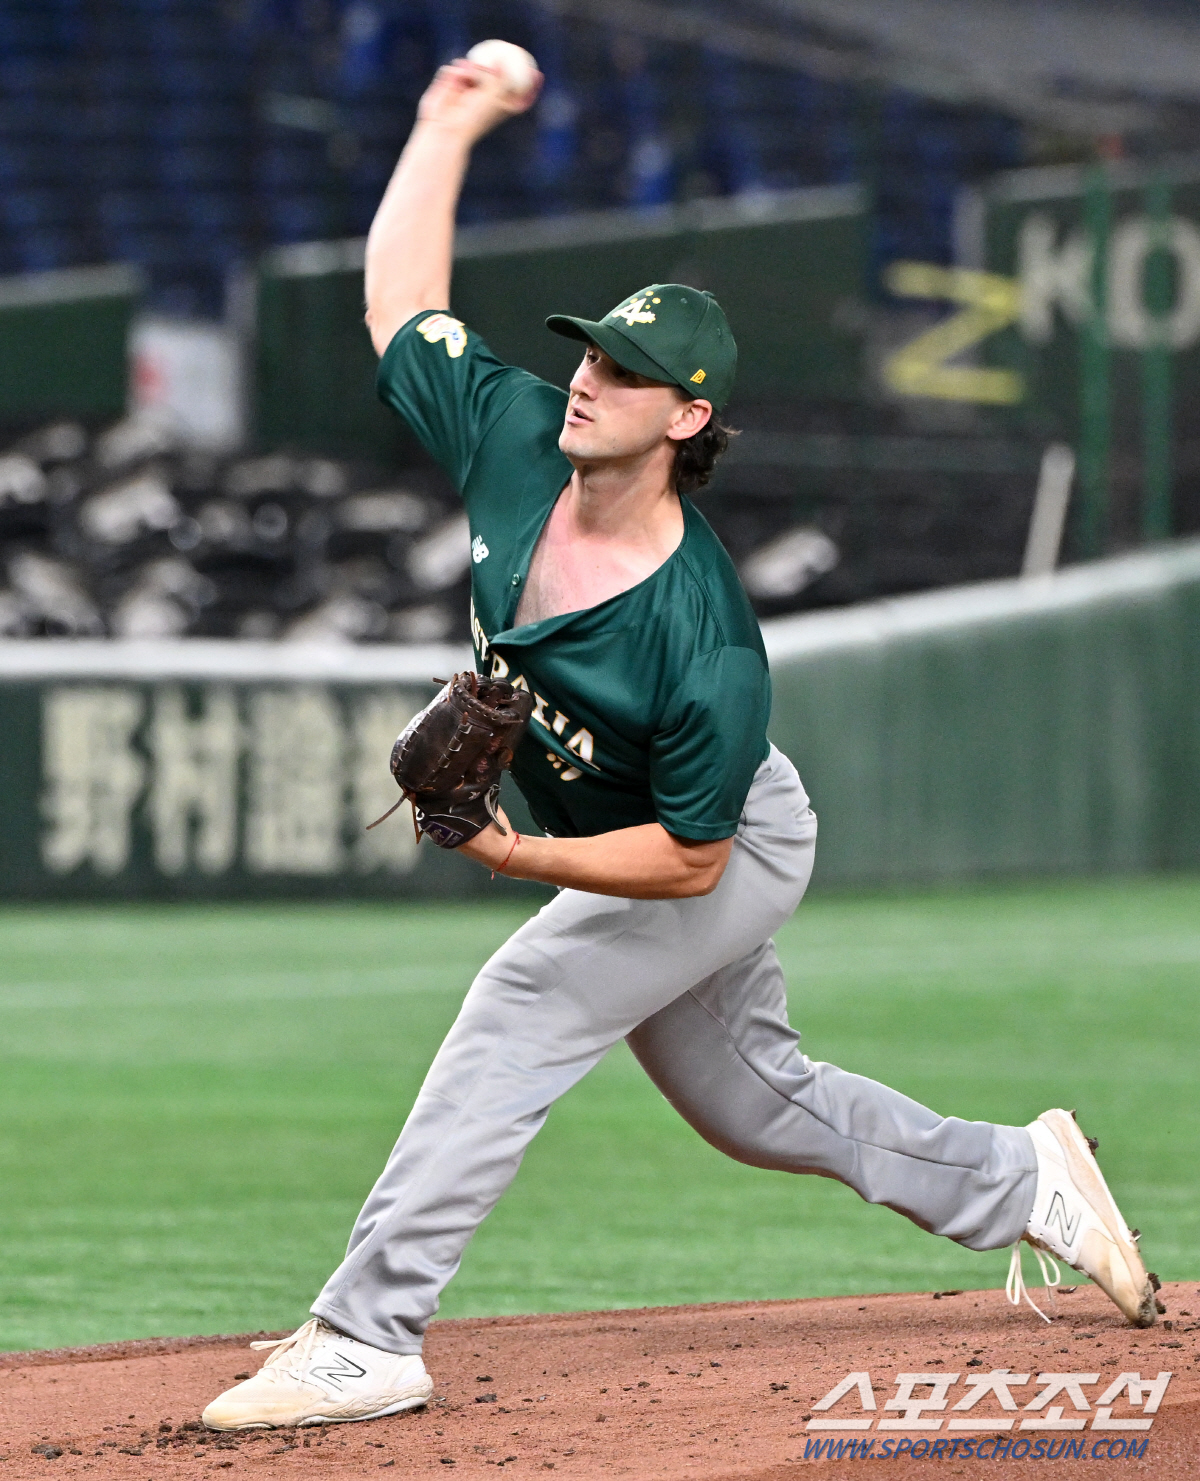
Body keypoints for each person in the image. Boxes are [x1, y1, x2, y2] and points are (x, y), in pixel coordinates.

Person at [202, 55, 1155, 1432]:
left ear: (687, 416)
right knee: (753, 1101)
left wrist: (520, 848)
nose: (588, 380)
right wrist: (445, 122)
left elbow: (697, 861)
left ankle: (368, 1331)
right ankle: (1025, 1179)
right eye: (592, 351)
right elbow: (400, 298)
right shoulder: (518, 433)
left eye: (628, 371)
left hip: (721, 840)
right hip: (633, 835)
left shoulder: (704, 634)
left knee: (519, 1007)